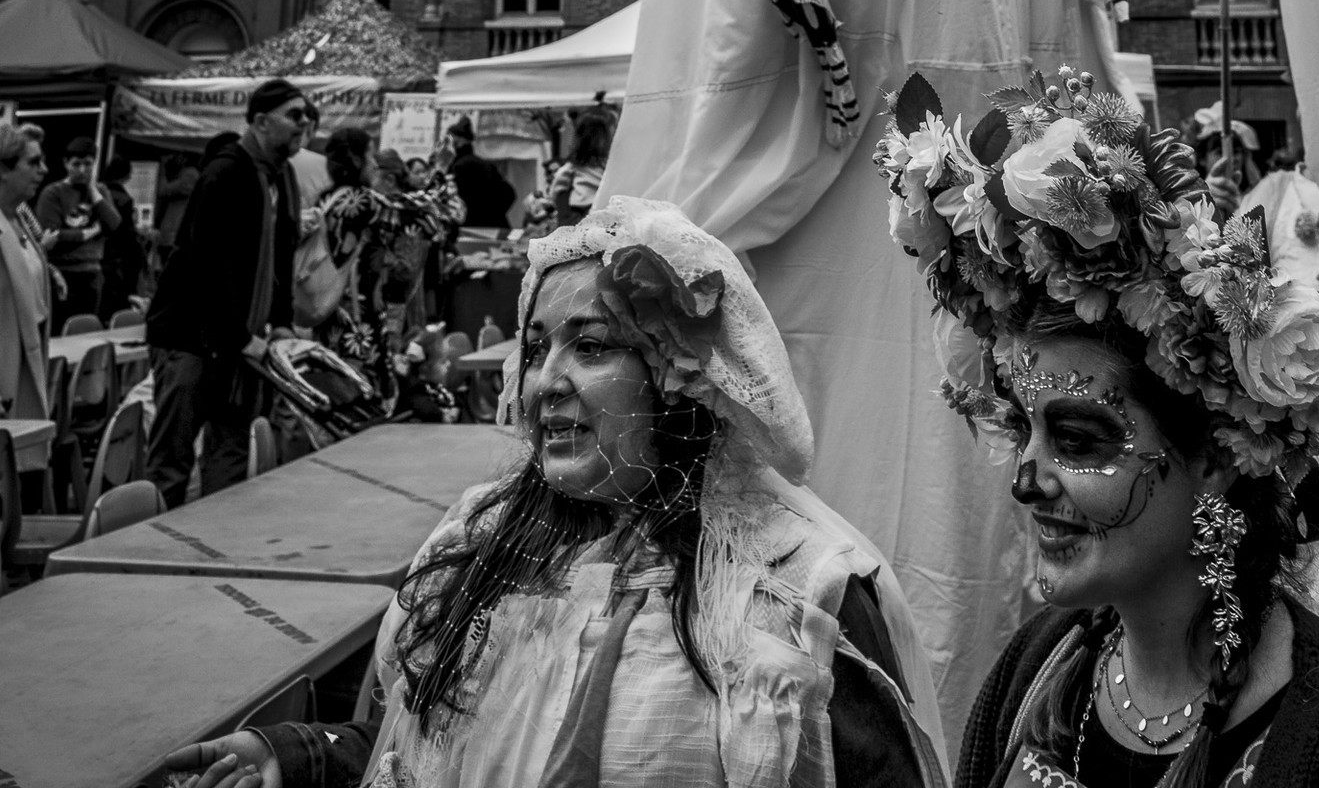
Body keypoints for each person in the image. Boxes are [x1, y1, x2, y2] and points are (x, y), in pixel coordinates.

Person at [167, 194, 947, 788]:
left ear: (680, 379)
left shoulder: (794, 592)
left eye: (593, 345)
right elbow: (429, 749)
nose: (545, 383)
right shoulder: (478, 537)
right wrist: (297, 757)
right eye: (538, 347)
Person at [878, 67, 1319, 787]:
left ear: (1217, 457)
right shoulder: (1035, 669)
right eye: (1024, 428)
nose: (1024, 481)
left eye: (1078, 440)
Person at [145, 78, 310, 504]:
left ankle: (212, 549)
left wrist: (282, 322)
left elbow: (282, 257)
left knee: (230, 451)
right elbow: (206, 264)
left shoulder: (281, 177)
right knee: (172, 462)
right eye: (295, 115)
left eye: (307, 115)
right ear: (259, 121)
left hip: (240, 342)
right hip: (192, 338)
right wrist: (241, 337)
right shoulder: (226, 172)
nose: (304, 123)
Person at [311, 124, 461, 410]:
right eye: (369, 157)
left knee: (340, 398)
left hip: (333, 314)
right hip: (356, 320)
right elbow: (419, 209)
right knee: (361, 401)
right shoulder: (360, 200)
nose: (373, 165)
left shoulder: (329, 197)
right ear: (356, 161)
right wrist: (440, 168)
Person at [0, 122, 53, 434]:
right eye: (33, 162)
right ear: (3, 169)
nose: (44, 170)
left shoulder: (19, 216)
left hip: (27, 367)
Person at [35, 134, 121, 321]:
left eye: (88, 164)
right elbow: (53, 235)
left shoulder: (101, 191)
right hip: (62, 271)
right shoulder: (53, 192)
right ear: (66, 164)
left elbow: (114, 224)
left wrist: (94, 193)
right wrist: (93, 231)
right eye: (76, 164)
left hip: (91, 271)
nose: (82, 170)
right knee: (60, 327)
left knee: (86, 326)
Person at [444, 116, 516, 232]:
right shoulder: (482, 163)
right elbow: (509, 193)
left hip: (471, 229)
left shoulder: (460, 166)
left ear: (457, 141)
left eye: (447, 140)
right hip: (493, 226)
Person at [97, 150, 145, 317]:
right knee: (122, 298)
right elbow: (126, 231)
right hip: (121, 255)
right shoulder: (124, 199)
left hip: (101, 250)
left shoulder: (97, 191)